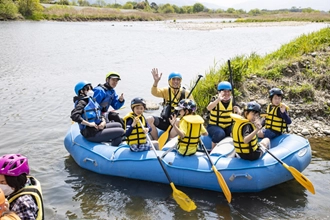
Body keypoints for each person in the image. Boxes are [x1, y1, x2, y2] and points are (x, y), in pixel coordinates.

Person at [71, 81, 125, 146]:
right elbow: (74, 115)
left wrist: (103, 122)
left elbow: (99, 113)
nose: (91, 90)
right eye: (88, 89)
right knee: (120, 131)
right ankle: (113, 149)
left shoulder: (91, 100)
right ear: (81, 91)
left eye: (91, 88)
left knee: (119, 125)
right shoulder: (82, 102)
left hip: (97, 127)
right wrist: (89, 124)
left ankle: (112, 141)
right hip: (90, 132)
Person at [147, 68, 192, 140]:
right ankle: (156, 141)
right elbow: (154, 92)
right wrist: (156, 82)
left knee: (177, 120)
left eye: (178, 80)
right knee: (149, 119)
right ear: (169, 81)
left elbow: (193, 108)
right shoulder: (166, 91)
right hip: (166, 121)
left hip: (178, 123)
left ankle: (169, 141)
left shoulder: (186, 93)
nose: (176, 81)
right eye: (173, 79)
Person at [0, 154, 44, 220]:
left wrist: (6, 213)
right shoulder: (23, 183)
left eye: (2, 182)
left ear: (15, 181)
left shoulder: (24, 202)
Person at [206, 81, 241, 149]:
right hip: (214, 126)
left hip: (228, 125)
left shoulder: (233, 100)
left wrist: (239, 111)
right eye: (224, 91)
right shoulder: (215, 99)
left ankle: (236, 150)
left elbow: (239, 114)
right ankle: (213, 150)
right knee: (220, 133)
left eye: (228, 91)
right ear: (219, 92)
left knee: (236, 131)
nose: (227, 93)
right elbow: (209, 108)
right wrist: (218, 100)